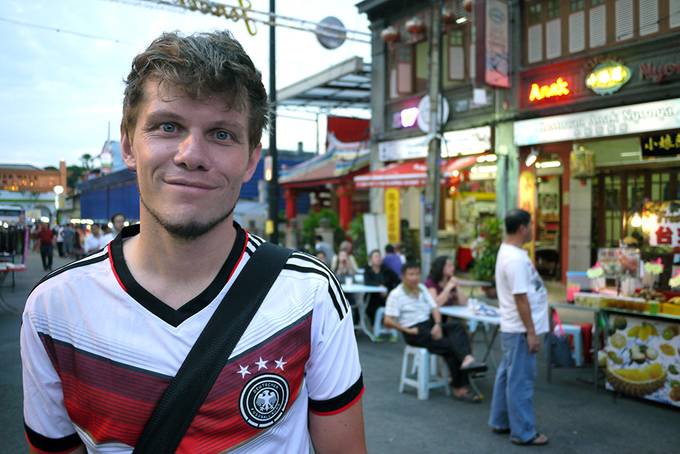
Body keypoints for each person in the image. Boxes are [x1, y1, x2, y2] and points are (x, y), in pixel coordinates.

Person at [21, 31, 366, 454]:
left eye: (222, 134)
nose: (191, 154)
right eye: (168, 126)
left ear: (251, 160)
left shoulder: (309, 294)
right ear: (129, 144)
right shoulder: (55, 309)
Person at [384, 262, 487, 402]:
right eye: (411, 274)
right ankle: (460, 388)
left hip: (429, 325)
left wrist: (438, 324)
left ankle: (467, 359)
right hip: (413, 330)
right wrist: (408, 330)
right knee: (450, 346)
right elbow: (388, 321)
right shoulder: (396, 294)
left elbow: (434, 308)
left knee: (456, 327)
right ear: (403, 276)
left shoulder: (421, 288)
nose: (415, 278)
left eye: (417, 274)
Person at [489, 209, 549, 446]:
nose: (533, 229)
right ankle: (524, 432)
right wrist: (531, 332)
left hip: (513, 328)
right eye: (531, 225)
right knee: (520, 381)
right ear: (523, 228)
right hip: (519, 330)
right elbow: (521, 298)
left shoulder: (510, 252)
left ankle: (500, 420)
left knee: (508, 375)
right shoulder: (514, 259)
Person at [363, 249, 400, 324]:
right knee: (370, 307)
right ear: (371, 259)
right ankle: (375, 326)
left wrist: (390, 292)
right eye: (376, 257)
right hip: (372, 297)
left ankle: (381, 325)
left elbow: (398, 281)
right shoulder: (368, 270)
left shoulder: (387, 270)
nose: (379, 258)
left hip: (387, 297)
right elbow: (367, 282)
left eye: (379, 256)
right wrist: (379, 286)